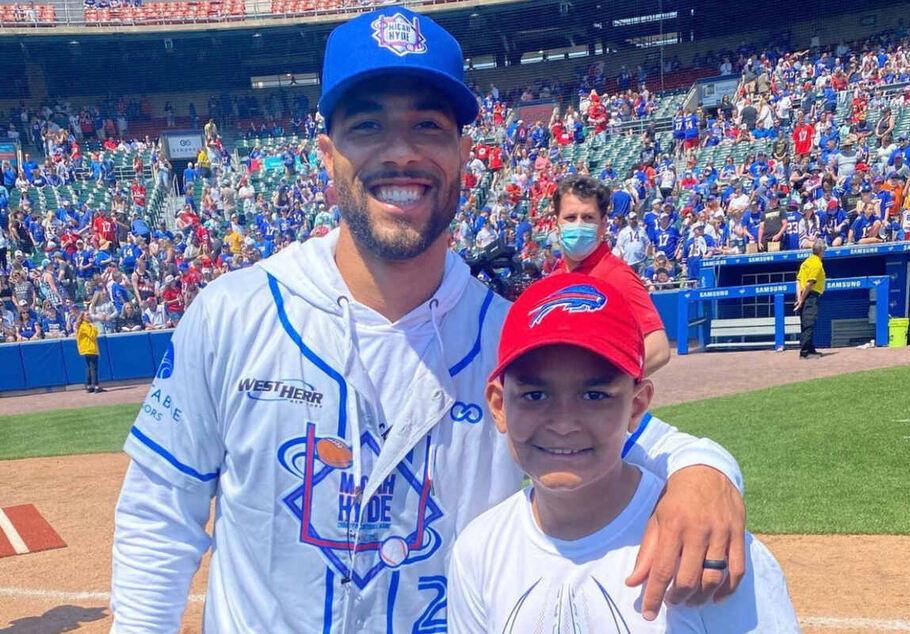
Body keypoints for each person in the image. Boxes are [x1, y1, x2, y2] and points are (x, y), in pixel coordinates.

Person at [111, 8, 747, 632]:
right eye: (368, 126)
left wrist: (708, 473)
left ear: (464, 152)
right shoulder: (231, 314)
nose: (402, 152)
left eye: (429, 126)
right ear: (328, 155)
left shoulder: (508, 335)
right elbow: (160, 513)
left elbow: (628, 431)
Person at [448, 273, 798, 632]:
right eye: (535, 395)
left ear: (636, 405)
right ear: (498, 405)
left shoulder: (704, 543)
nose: (564, 423)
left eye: (595, 395)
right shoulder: (479, 550)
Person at [552, 175, 670, 376]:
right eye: (571, 218)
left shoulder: (616, 275)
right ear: (557, 224)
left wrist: (602, 385)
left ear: (603, 224)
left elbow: (658, 349)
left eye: (588, 218)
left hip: (592, 404)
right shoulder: (554, 279)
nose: (579, 225)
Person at [795, 240, 826, 359]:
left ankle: (810, 349)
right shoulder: (817, 264)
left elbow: (798, 281)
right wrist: (802, 300)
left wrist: (799, 298)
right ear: (821, 251)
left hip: (803, 295)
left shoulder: (806, 262)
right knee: (809, 323)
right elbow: (809, 284)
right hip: (810, 296)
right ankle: (805, 352)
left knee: (806, 323)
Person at [76, 310, 103, 392]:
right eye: (87, 315)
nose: (89, 316)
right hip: (89, 349)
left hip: (89, 348)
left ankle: (89, 385)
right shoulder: (84, 326)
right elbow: (92, 335)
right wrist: (94, 327)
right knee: (93, 368)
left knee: (89, 367)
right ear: (83, 317)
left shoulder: (85, 325)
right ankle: (96, 386)